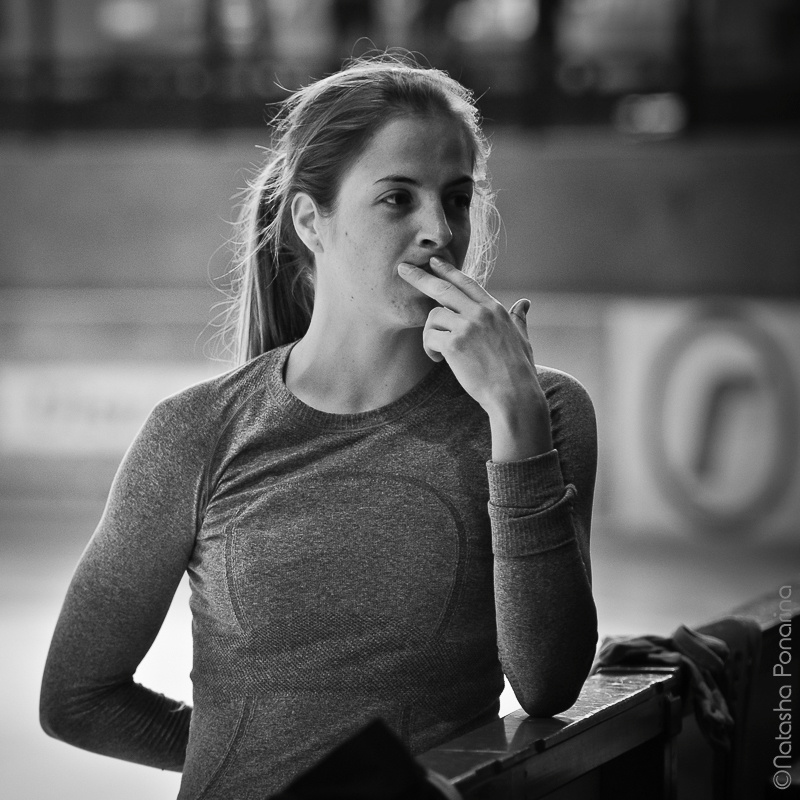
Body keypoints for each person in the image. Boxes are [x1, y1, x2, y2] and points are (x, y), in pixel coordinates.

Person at [40, 54, 598, 798]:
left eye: (457, 198)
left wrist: (515, 416)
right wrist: (261, 764)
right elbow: (76, 699)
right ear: (311, 221)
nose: (439, 230)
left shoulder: (544, 410)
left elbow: (548, 683)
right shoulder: (196, 431)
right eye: (397, 198)